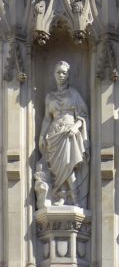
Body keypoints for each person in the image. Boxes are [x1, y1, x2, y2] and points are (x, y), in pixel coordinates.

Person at [35, 60, 90, 208]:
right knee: (55, 169)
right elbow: (47, 118)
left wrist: (76, 126)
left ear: (68, 75)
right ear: (54, 74)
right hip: (53, 135)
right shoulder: (49, 97)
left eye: (64, 72)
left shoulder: (74, 94)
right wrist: (41, 136)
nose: (61, 75)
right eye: (58, 72)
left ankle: (76, 198)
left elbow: (83, 115)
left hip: (68, 134)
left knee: (68, 164)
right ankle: (62, 195)